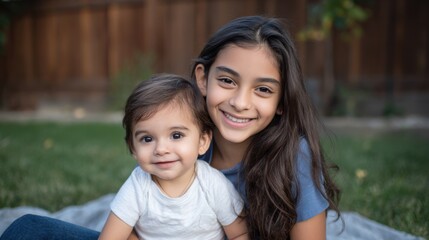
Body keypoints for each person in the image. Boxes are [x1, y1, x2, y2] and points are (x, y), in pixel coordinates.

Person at [0, 15, 340, 240]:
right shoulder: (178, 145)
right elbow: (133, 225)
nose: (240, 101)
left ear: (282, 101)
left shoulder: (294, 158)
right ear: (203, 79)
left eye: (263, 89)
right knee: (28, 228)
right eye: (227, 80)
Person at [99, 74, 248, 240]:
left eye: (176, 135)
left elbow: (239, 234)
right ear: (133, 148)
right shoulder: (138, 186)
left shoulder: (213, 185)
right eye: (147, 139)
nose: (161, 149)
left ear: (203, 141)